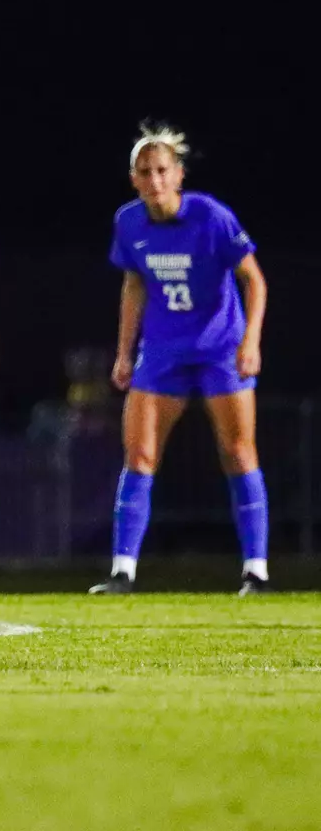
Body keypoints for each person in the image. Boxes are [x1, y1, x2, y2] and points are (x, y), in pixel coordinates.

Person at [90, 124, 269, 596]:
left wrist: (250, 341)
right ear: (134, 179)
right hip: (163, 351)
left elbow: (254, 280)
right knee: (141, 456)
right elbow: (133, 285)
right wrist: (124, 353)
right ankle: (122, 572)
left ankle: (256, 570)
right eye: (144, 172)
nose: (155, 181)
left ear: (179, 174)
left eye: (162, 170)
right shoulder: (129, 222)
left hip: (218, 348)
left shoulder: (211, 217)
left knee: (238, 452)